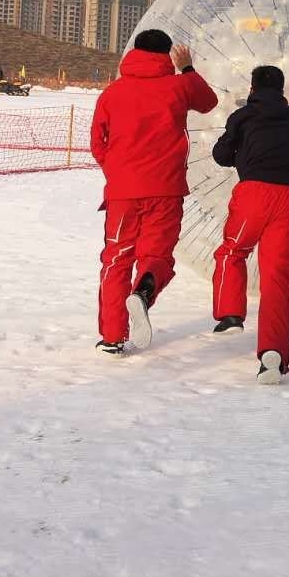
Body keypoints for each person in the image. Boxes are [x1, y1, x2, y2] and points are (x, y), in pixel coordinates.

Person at [90, 28, 218, 355]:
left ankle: (112, 336)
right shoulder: (179, 86)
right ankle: (143, 292)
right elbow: (209, 102)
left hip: (122, 192)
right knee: (157, 256)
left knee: (116, 259)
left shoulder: (112, 93)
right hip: (165, 189)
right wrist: (187, 68)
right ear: (167, 55)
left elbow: (97, 142)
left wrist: (117, 172)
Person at [210, 65, 289, 384]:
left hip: (254, 194)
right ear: (281, 90)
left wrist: (238, 151)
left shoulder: (242, 116)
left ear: (252, 89)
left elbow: (221, 154)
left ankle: (230, 313)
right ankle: (273, 354)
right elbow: (285, 117)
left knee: (232, 252)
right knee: (278, 279)